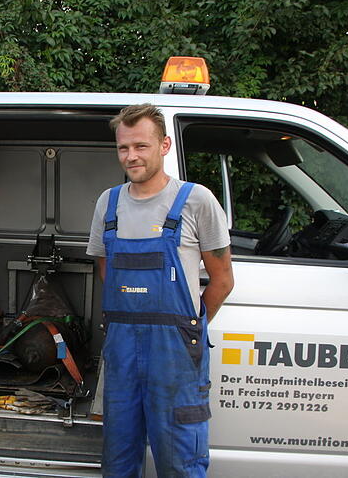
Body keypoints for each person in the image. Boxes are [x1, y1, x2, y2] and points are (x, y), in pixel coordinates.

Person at [87, 104, 234, 477]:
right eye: (123, 148)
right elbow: (108, 268)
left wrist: (188, 327)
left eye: (141, 146)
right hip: (121, 349)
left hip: (175, 352)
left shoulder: (196, 200)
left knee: (180, 460)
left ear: (164, 145)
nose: (131, 156)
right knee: (118, 458)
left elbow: (222, 280)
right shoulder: (109, 203)